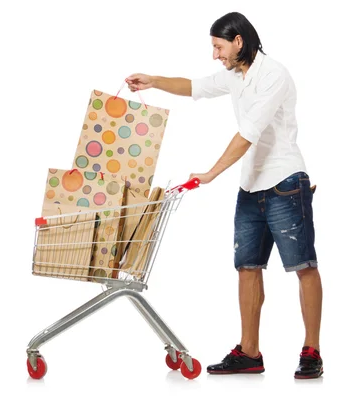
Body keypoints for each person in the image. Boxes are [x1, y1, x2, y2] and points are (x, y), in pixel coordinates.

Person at [125, 11, 323, 379]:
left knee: (303, 266)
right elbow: (194, 86)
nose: (215, 55)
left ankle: (312, 350)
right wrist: (153, 81)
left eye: (218, 47)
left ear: (238, 42)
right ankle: (250, 352)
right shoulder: (235, 75)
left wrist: (210, 174)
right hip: (251, 186)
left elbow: (247, 134)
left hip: (285, 181)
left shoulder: (274, 75)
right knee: (247, 268)